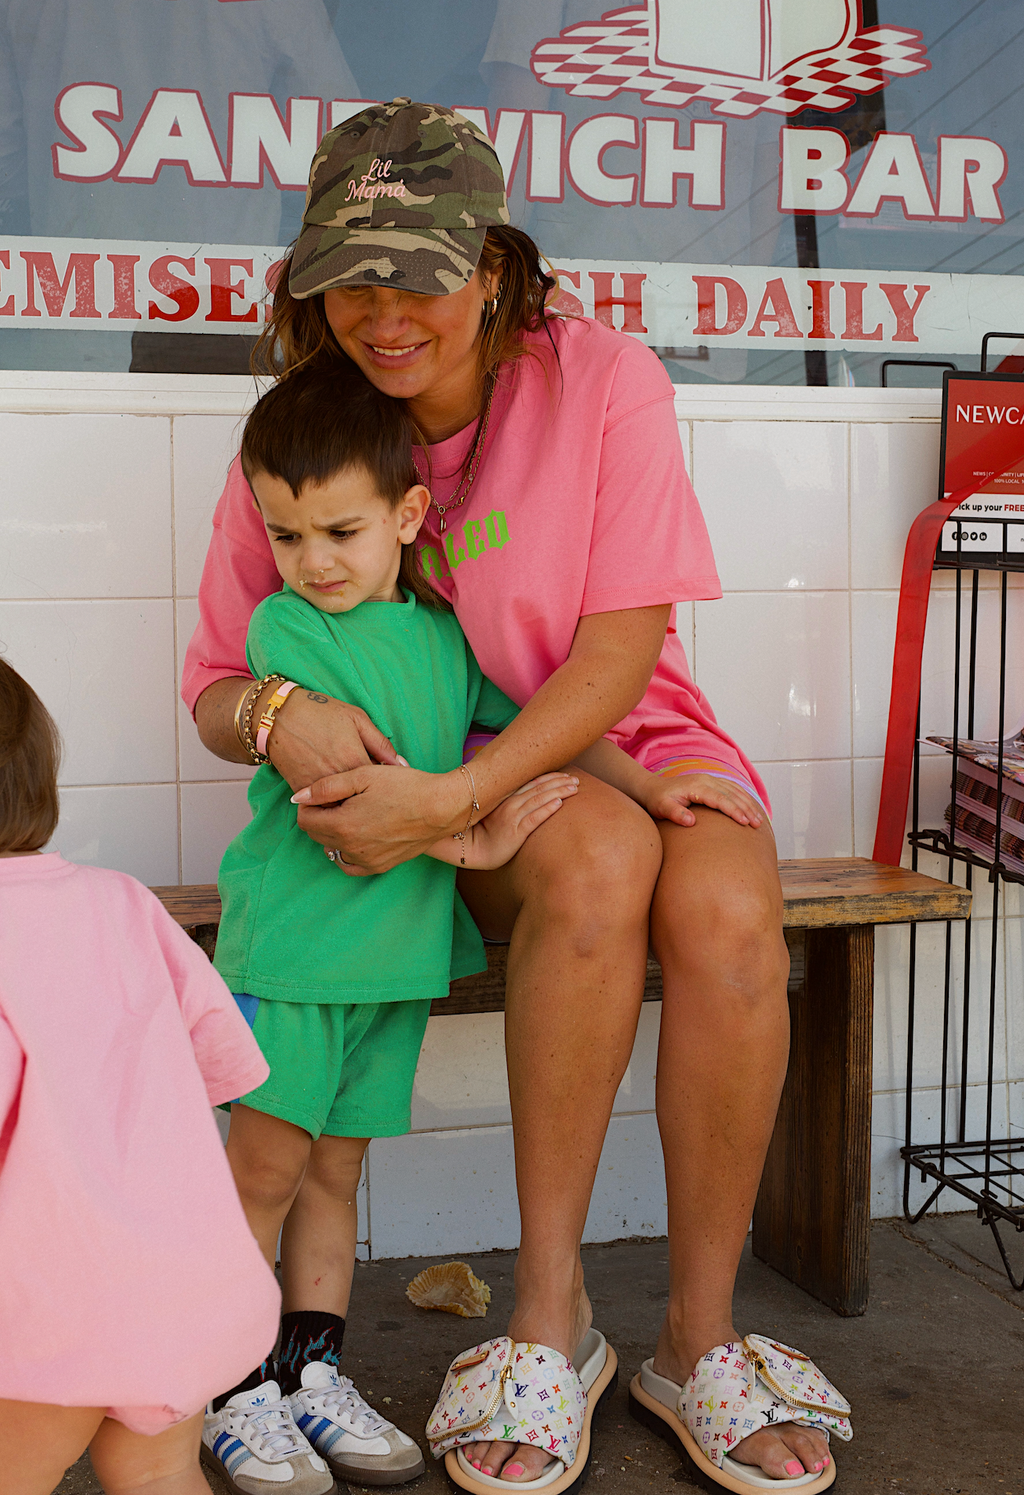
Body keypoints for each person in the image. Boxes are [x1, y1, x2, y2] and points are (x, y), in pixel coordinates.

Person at [182, 98, 852, 1493]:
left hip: (617, 731)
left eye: (418, 276)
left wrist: (454, 798)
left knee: (731, 911)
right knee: (600, 864)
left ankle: (701, 1336)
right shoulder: (312, 425)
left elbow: (618, 651)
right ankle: (551, 1318)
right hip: (470, 781)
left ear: (489, 267)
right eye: (351, 280)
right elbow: (216, 686)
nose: (384, 315)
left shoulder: (600, 378)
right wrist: (283, 716)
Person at [204, 366, 580, 1495]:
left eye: (340, 530)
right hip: (297, 953)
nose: (311, 560)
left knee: (335, 1173)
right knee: (264, 1171)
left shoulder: (447, 639)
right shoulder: (286, 630)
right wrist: (475, 840)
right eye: (285, 534)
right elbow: (356, 802)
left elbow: (530, 727)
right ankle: (224, 1384)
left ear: (409, 515)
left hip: (391, 964)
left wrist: (656, 782)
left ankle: (309, 1374)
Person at [0, 657, 282, 1495]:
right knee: (159, 1474)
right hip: (182, 1288)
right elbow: (226, 1060)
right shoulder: (123, 901)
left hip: (48, 1311)